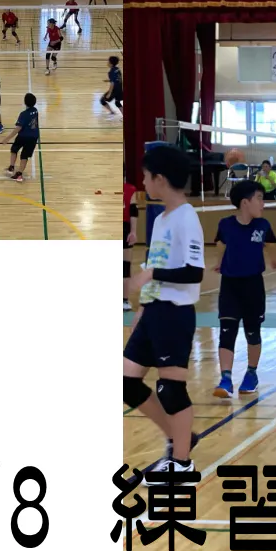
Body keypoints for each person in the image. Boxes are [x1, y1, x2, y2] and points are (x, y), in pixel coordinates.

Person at [123, 144, 206, 484]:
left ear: (160, 178)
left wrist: (150, 276)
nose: (143, 182)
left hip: (175, 314)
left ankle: (182, 463)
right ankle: (178, 436)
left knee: (171, 390)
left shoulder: (187, 217)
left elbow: (194, 272)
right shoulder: (160, 219)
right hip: (154, 311)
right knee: (126, 382)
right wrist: (142, 307)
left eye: (146, 176)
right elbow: (156, 263)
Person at [211, 180, 276, 398]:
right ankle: (225, 378)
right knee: (226, 331)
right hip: (229, 286)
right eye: (259, 198)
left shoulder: (263, 225)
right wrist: (218, 262)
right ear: (245, 202)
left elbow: (271, 242)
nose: (263, 203)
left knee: (253, 332)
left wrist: (274, 259)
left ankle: (251, 373)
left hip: (253, 286)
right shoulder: (225, 224)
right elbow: (221, 243)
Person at [0, 93, 40, 183]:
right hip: (33, 137)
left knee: (14, 149)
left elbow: (18, 128)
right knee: (24, 155)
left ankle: (11, 167)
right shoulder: (36, 111)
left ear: (25, 102)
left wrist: (7, 138)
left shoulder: (23, 114)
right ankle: (19, 174)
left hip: (23, 136)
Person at [123, 176, 138, 311]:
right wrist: (133, 231)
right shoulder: (130, 189)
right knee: (125, 267)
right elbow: (133, 211)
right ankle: (124, 301)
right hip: (124, 228)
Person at [101, 56, 124, 120]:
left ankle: (112, 112)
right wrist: (109, 80)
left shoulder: (111, 72)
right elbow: (117, 79)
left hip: (114, 90)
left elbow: (112, 83)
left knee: (102, 100)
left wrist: (109, 93)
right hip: (119, 89)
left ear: (111, 63)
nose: (107, 62)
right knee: (117, 102)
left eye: (108, 61)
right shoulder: (117, 69)